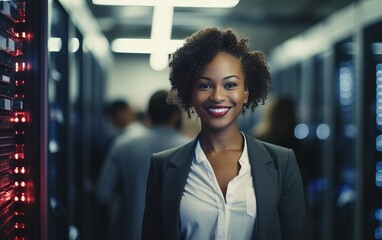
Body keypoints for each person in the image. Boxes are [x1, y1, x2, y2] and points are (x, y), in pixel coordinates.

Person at [141, 27, 307, 240]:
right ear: (189, 93)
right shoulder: (163, 166)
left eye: (230, 85)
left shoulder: (281, 163)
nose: (217, 96)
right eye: (204, 85)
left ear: (245, 93)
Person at [96, 90, 190, 240]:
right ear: (176, 114)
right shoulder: (191, 149)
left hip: (132, 233)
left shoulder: (123, 144)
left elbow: (104, 192)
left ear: (149, 114)